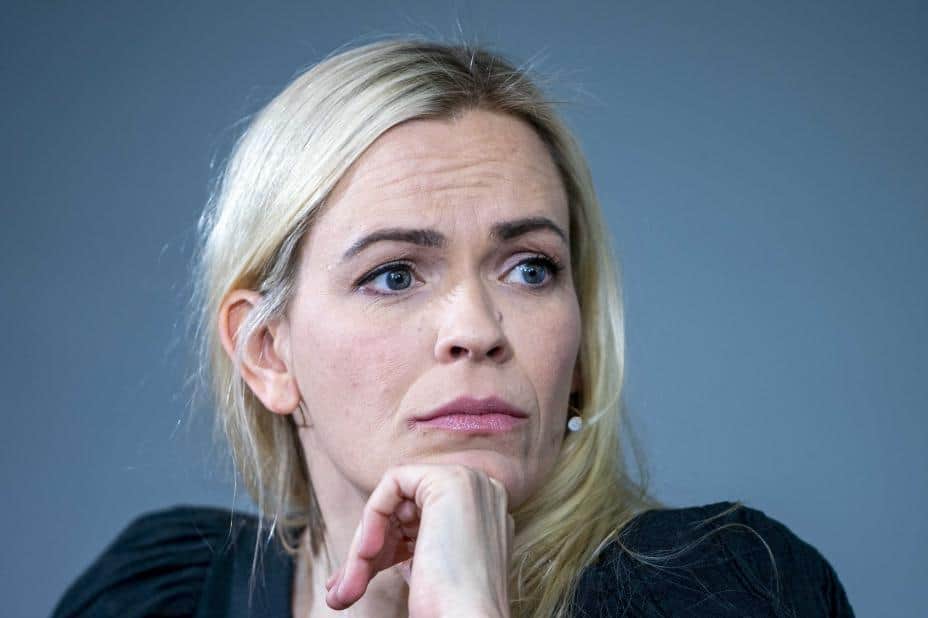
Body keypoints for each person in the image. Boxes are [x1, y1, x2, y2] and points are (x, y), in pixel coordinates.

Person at [53, 38, 854, 617]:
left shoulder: (722, 587)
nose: (477, 330)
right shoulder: (157, 596)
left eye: (530, 269)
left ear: (579, 346)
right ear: (268, 353)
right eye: (394, 275)